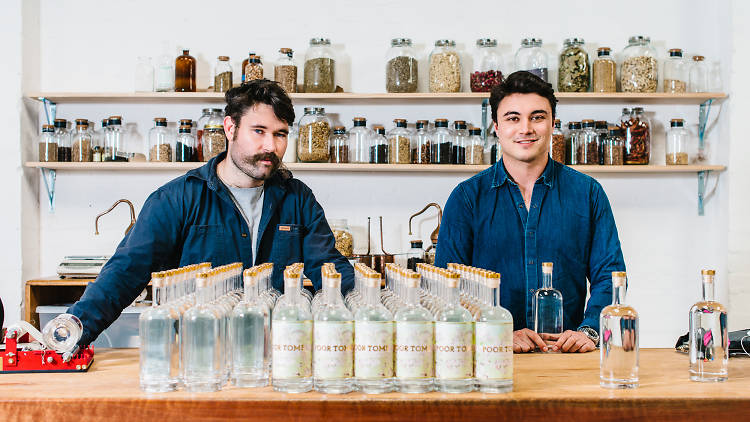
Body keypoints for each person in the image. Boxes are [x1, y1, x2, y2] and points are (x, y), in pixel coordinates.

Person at [67, 79, 353, 347]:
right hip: (200, 358)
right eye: (259, 131)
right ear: (230, 128)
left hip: (277, 355)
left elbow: (330, 269)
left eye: (280, 135)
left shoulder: (298, 198)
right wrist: (69, 331)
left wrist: (376, 311)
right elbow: (124, 274)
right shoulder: (177, 199)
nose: (270, 146)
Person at [436, 71, 626, 354]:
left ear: (552, 123)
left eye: (537, 117)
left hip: (567, 357)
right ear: (497, 127)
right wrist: (496, 333)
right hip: (489, 355)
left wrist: (590, 332)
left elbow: (609, 276)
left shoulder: (587, 193)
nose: (525, 128)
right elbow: (445, 286)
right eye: (513, 118)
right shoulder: (467, 198)